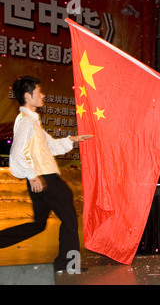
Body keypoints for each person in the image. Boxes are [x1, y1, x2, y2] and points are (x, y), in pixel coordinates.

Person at [0, 76, 92, 273]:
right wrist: (32, 175)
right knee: (69, 217)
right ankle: (67, 264)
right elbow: (16, 153)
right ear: (27, 95)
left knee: (39, 224)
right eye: (39, 92)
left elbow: (49, 146)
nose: (43, 95)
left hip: (40, 178)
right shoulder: (26, 122)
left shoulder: (32, 121)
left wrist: (72, 139)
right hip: (44, 178)